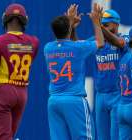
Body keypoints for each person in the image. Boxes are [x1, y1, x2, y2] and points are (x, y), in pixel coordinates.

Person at [44, 3, 104, 140]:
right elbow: (100, 43)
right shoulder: (78, 48)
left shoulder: (48, 48)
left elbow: (63, 39)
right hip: (74, 99)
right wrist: (96, 21)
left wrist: (69, 22)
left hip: (54, 101)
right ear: (69, 29)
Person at [0, 3, 39, 140]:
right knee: (8, 136)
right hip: (22, 93)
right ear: (25, 20)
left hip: (3, 90)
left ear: (5, 19)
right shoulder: (34, 42)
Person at [89, 9, 129, 140]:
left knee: (116, 136)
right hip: (100, 96)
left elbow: (119, 43)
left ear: (116, 25)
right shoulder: (96, 41)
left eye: (106, 25)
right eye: (102, 25)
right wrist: (72, 28)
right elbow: (77, 46)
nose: (103, 28)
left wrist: (98, 25)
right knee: (101, 137)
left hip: (117, 95)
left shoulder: (125, 39)